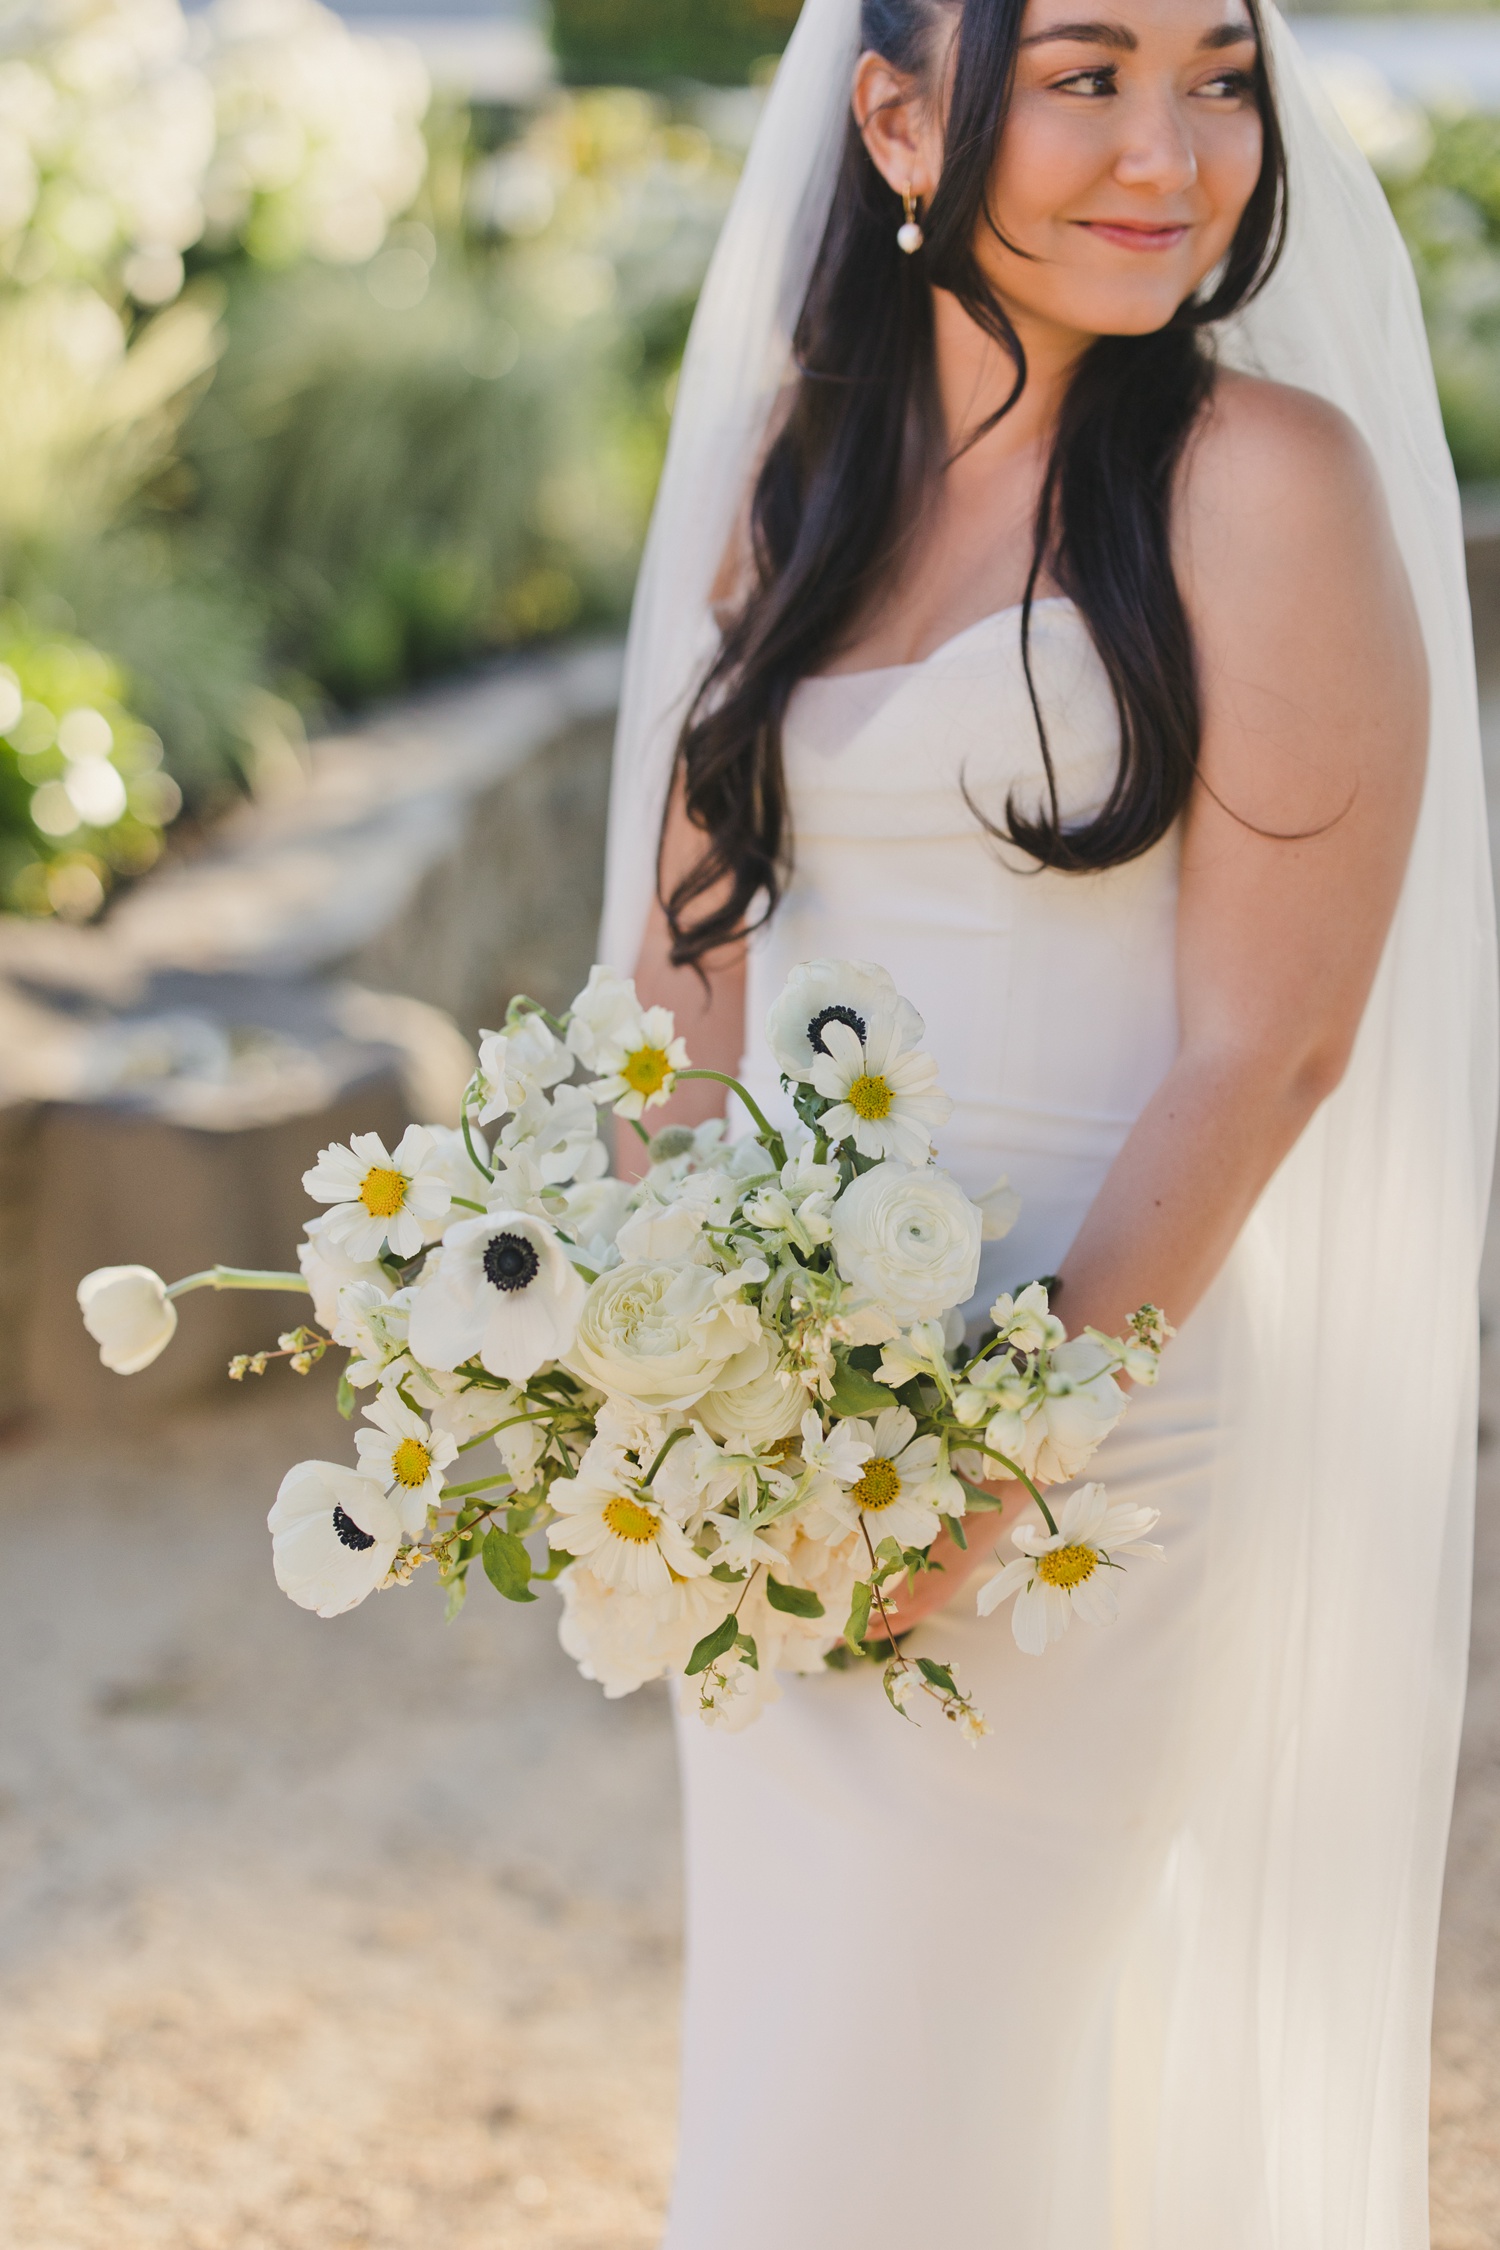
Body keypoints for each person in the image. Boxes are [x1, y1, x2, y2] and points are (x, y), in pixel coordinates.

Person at [598, 1, 1496, 2241]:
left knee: (913, 2127)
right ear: (902, 114)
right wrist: (665, 1376)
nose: (1168, 154)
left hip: (1110, 1441)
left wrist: (981, 1465)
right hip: (785, 1436)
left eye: (1218, 77)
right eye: (1086, 74)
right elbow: (687, 963)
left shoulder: (1262, 481)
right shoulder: (808, 477)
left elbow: (1271, 1049)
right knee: (813, 2100)